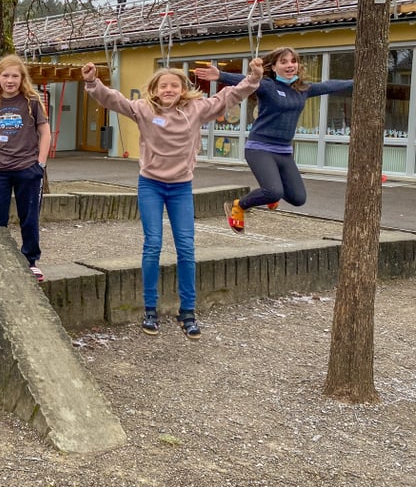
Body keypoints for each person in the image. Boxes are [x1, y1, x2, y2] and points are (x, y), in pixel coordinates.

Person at [81, 58, 264, 338]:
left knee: (187, 249)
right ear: (154, 89)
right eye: (163, 85)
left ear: (183, 89)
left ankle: (188, 312)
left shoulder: (196, 109)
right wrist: (93, 83)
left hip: (180, 188)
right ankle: (150, 310)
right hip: (151, 185)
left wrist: (252, 78)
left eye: (174, 85)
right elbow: (115, 100)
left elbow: (229, 96)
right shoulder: (143, 109)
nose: (168, 89)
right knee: (152, 245)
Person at [194, 47, 354, 233]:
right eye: (284, 62)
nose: (290, 65)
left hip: (284, 151)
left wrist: (354, 82)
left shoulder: (302, 89)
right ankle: (238, 205)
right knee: (273, 191)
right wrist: (220, 75)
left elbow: (328, 85)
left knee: (298, 198)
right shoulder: (268, 85)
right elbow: (247, 81)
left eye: (293, 61)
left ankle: (271, 193)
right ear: (274, 66)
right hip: (260, 148)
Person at [0, 55, 52, 281]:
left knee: (29, 217)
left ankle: (30, 260)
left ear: (22, 79)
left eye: (15, 76)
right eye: (5, 75)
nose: (10, 80)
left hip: (27, 168)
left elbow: (45, 132)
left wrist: (41, 162)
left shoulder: (32, 101)